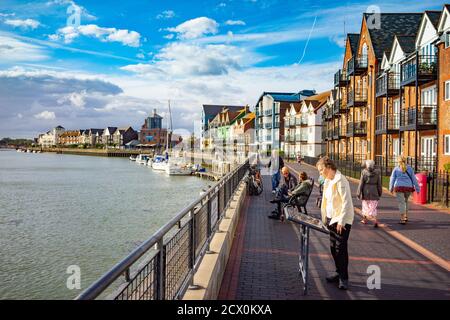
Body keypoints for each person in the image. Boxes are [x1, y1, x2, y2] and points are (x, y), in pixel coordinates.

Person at [317, 157, 354, 290]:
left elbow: (346, 202)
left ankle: (344, 278)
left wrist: (342, 221)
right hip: (332, 219)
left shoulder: (340, 180)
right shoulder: (328, 180)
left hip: (342, 220)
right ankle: (338, 273)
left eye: (321, 170)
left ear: (328, 167)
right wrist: (325, 218)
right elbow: (326, 201)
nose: (320, 173)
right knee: (333, 248)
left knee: (340, 249)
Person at [389, 156, 420, 225]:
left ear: (398, 161)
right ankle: (405, 216)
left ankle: (402, 218)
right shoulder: (410, 168)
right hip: (408, 187)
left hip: (399, 187)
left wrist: (390, 188)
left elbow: (392, 179)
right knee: (405, 201)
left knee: (401, 202)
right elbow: (414, 179)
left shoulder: (396, 169)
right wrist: (417, 189)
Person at [357, 160, 382, 228]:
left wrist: (358, 193)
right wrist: (380, 192)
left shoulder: (364, 172)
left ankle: (365, 219)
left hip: (366, 191)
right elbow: (379, 184)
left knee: (365, 206)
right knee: (373, 207)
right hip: (374, 191)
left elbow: (361, 183)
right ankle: (374, 220)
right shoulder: (377, 173)